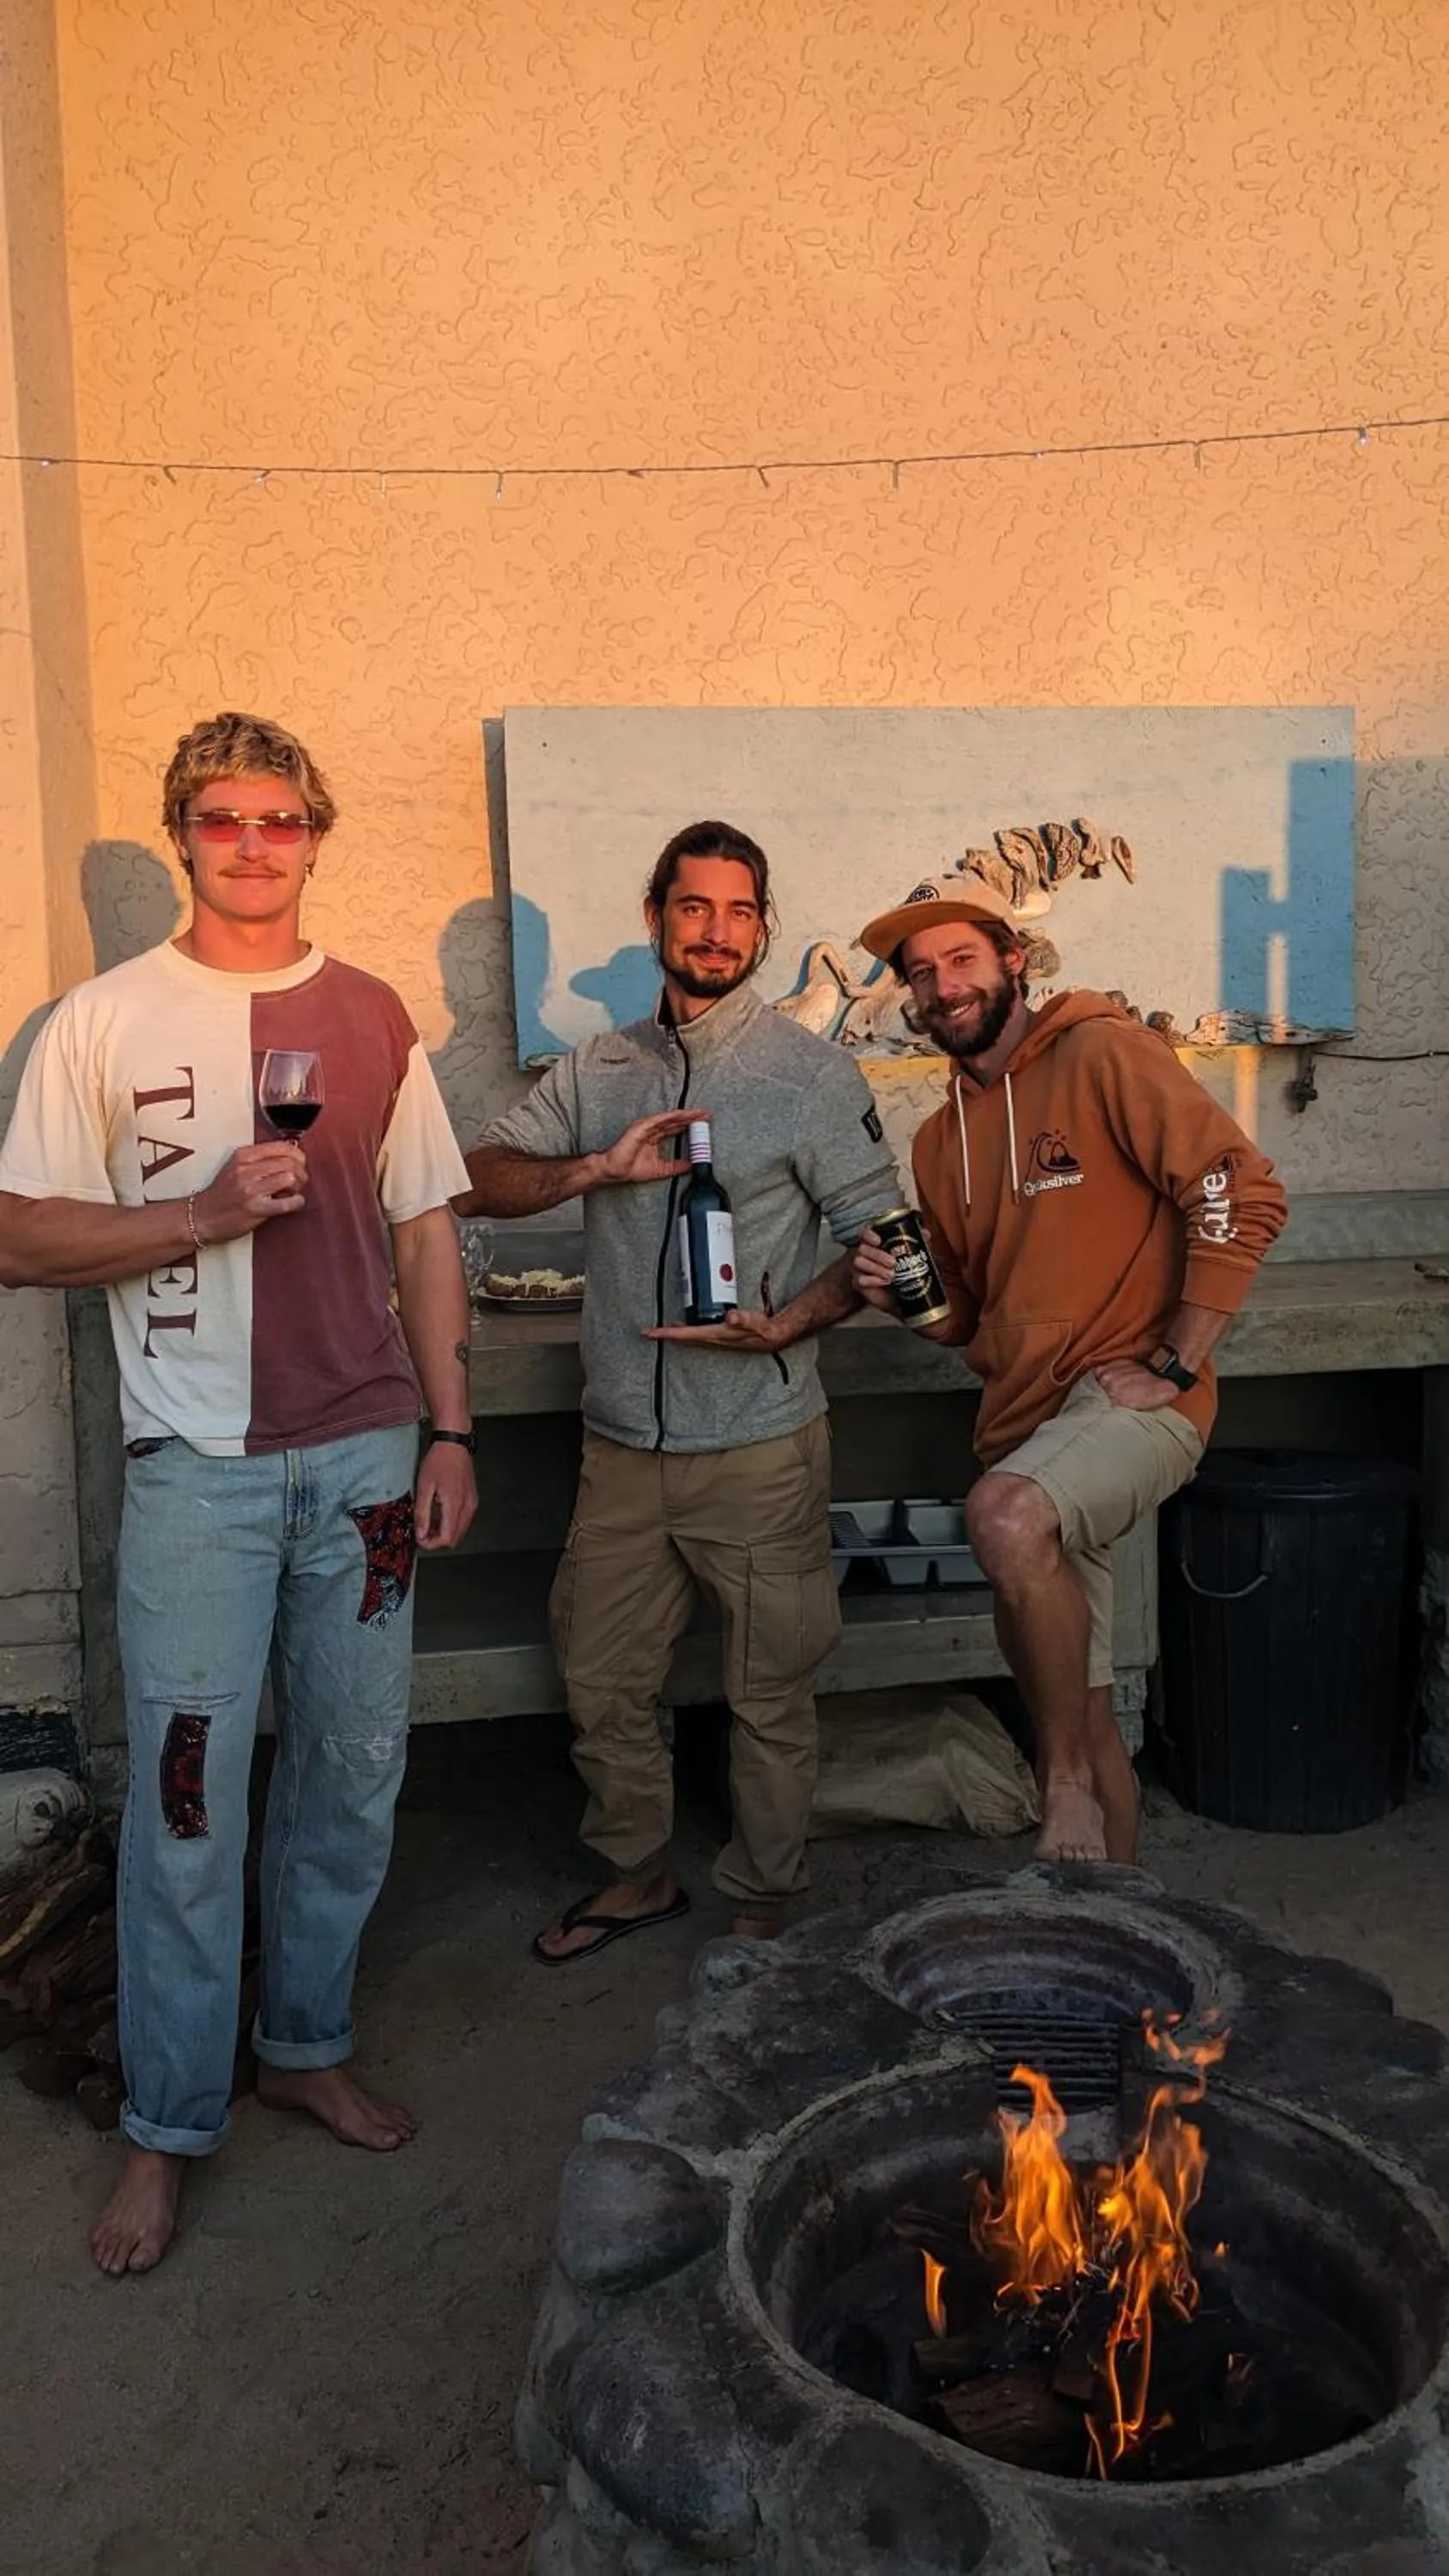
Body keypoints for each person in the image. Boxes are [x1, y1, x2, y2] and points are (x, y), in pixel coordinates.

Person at [0, 713, 478, 2275]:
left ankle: (305, 2043)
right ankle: (167, 2126)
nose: (253, 843)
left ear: (316, 834)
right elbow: (18, 1237)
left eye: (281, 817)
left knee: (351, 1771)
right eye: (223, 819)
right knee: (189, 1807)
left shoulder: (371, 1016)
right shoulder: (100, 1023)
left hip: (365, 1470)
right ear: (185, 837)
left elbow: (423, 1236)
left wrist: (451, 1431)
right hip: (196, 1478)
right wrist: (203, 1212)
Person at [458, 821, 899, 1959]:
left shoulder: (808, 1074)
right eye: (694, 907)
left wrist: (789, 1323)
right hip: (619, 1449)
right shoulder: (601, 1069)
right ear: (657, 917)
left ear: (764, 927)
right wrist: (594, 1169)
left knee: (769, 1690)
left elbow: (883, 1244)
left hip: (758, 1442)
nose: (717, 930)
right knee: (601, 1679)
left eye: (740, 910)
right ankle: (636, 1874)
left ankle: (766, 1900)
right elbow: (476, 1180)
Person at [852, 876, 1287, 1867]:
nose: (940, 984)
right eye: (918, 973)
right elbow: (969, 1315)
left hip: (1129, 1397)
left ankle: (1059, 1795)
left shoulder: (1102, 1052)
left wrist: (1178, 1357)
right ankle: (1119, 1932)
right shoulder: (938, 1141)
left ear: (1012, 960)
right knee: (1080, 1715)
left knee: (1003, 1516)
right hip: (1028, 1423)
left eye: (959, 958)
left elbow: (1235, 1189)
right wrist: (906, 1301)